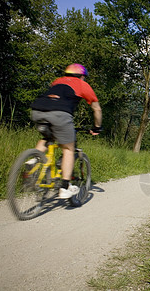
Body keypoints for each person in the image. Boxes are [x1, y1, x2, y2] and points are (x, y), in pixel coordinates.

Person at [30, 63, 102, 199]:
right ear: (82, 76)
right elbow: (97, 109)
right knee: (68, 149)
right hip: (59, 114)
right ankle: (64, 187)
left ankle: (33, 161)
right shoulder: (82, 84)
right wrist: (97, 127)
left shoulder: (57, 82)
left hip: (37, 110)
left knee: (47, 138)